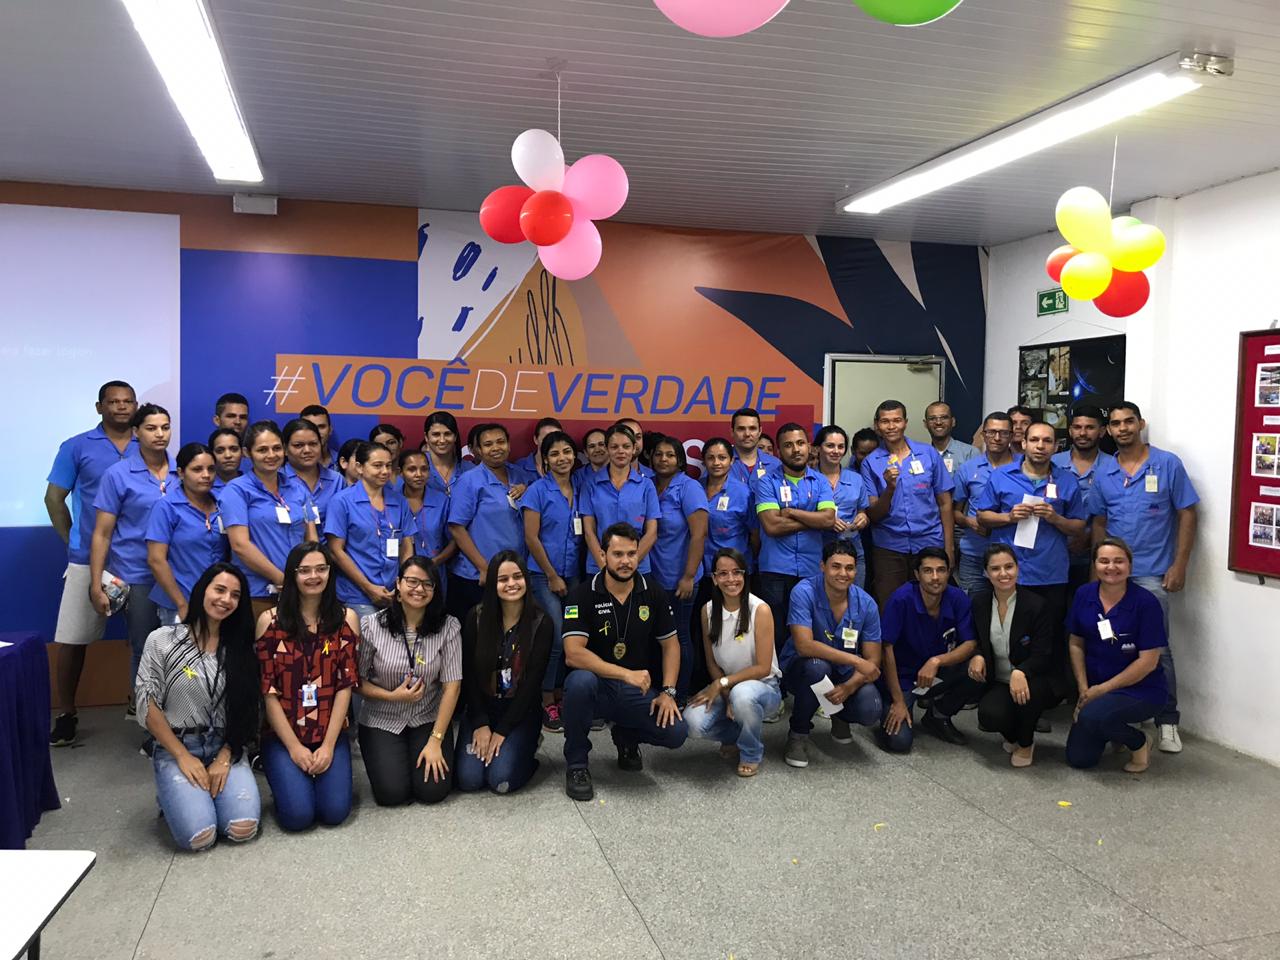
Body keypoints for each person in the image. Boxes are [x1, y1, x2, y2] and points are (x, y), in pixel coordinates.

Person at [1091, 401, 1198, 754]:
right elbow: (1099, 522)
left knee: (1157, 649)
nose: (1122, 428)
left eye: (1129, 421)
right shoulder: (1105, 471)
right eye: (1116, 423)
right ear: (1109, 430)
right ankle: (1125, 714)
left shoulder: (1167, 464)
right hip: (1111, 575)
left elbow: (1187, 513)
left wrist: (1180, 564)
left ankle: (1167, 721)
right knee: (1112, 645)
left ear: (1140, 424)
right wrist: (1095, 571)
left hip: (1152, 573)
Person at [135, 563, 261, 851]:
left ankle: (199, 795)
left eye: (235, 595)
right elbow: (147, 703)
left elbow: (247, 710)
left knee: (242, 828)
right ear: (202, 591)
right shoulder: (162, 640)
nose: (226, 599)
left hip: (225, 745)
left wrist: (226, 756)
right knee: (199, 837)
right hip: (178, 746)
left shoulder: (240, 648)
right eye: (219, 590)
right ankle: (173, 793)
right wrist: (182, 756)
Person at [561, 523, 688, 800]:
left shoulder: (653, 592)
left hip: (636, 690)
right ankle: (577, 764)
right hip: (598, 688)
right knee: (579, 682)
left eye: (632, 554)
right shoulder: (582, 594)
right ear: (603, 555)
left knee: (677, 732)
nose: (626, 561)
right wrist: (624, 673)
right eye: (618, 554)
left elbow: (671, 645)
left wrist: (668, 692)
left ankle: (626, 736)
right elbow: (573, 653)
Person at [47, 380, 138, 747]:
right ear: (99, 407)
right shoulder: (76, 446)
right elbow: (54, 498)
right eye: (113, 402)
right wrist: (74, 541)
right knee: (73, 639)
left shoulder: (149, 444)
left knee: (147, 639)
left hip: (138, 558)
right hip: (88, 559)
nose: (121, 407)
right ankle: (66, 714)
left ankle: (146, 711)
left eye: (128, 401)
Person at [255, 543, 360, 831]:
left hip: (329, 732)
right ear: (293, 575)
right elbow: (268, 692)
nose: (314, 576)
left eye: (321, 569)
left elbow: (345, 686)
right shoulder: (270, 622)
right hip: (284, 734)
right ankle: (286, 774)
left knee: (334, 812)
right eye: (305, 570)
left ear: (330, 573)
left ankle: (316, 775)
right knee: (297, 817)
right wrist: (294, 748)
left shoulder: (346, 619)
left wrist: (328, 746)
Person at [974, 421, 1086, 666]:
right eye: (1034, 440)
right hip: (1008, 574)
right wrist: (1008, 517)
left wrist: (1056, 518)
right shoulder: (1001, 476)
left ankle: (1044, 685)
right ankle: (1006, 680)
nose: (1040, 446)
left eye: (1047, 441)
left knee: (1049, 640)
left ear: (1056, 447)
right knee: (1006, 636)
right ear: (1023, 443)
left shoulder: (1067, 480)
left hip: (1049, 573)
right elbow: (982, 516)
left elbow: (1079, 526)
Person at [356, 555, 461, 806]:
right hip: (382, 717)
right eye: (412, 581)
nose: (419, 589)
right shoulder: (372, 625)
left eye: (427, 584)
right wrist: (391, 696)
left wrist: (436, 740)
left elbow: (452, 686)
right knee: (392, 794)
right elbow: (355, 680)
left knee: (433, 791)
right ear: (398, 585)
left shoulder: (448, 627)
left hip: (427, 716)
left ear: (435, 590)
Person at [90, 403, 176, 688]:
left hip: (179, 573)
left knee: (182, 649)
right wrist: (95, 585)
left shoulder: (183, 469)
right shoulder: (118, 474)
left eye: (165, 427)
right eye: (151, 428)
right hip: (137, 575)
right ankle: (145, 711)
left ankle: (180, 711)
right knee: (144, 648)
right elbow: (102, 534)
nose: (160, 434)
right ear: (137, 432)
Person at [1065, 538, 1168, 773]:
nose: (1111, 567)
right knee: (1079, 759)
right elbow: (1076, 643)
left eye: (1119, 561)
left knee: (1093, 717)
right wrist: (1084, 690)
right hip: (1094, 688)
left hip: (1141, 689)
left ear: (1130, 565)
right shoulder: (1084, 594)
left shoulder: (1146, 602)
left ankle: (1139, 742)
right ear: (1095, 565)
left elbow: (1148, 662)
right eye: (1104, 561)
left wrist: (1101, 691)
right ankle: (1111, 729)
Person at [780, 541, 883, 769]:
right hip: (803, 669)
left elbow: (873, 660)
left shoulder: (866, 604)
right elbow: (804, 646)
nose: (843, 573)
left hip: (845, 674)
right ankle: (798, 733)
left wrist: (849, 687)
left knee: (871, 708)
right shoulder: (804, 592)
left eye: (849, 568)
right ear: (822, 566)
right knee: (818, 668)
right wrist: (855, 660)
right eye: (836, 566)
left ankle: (839, 716)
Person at [456, 552, 552, 794]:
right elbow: (468, 674)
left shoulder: (541, 622)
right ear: (492, 584)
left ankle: (527, 748)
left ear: (527, 580)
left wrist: (503, 730)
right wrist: (480, 722)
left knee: (500, 780)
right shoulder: (476, 617)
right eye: (503, 579)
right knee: (468, 780)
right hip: (482, 709)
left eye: (517, 577)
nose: (511, 584)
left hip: (519, 712)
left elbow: (532, 685)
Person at [684, 548, 781, 777]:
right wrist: (726, 694)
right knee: (691, 722)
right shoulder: (707, 611)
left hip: (764, 687)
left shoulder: (760, 609)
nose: (731, 579)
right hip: (727, 687)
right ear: (714, 579)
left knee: (743, 696)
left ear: (745, 575)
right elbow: (712, 663)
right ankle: (735, 736)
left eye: (737, 572)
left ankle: (751, 752)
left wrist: (723, 684)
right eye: (723, 573)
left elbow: (763, 668)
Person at [752, 423, 836, 688]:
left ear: (809, 446)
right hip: (775, 569)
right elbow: (771, 526)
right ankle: (775, 688)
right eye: (788, 445)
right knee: (775, 632)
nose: (795, 449)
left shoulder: (820, 481)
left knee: (812, 631)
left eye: (800, 443)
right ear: (779, 450)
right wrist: (813, 519)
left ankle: (808, 688)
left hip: (811, 570)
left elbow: (829, 520)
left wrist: (792, 513)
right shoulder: (766, 482)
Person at [876, 548, 983, 753]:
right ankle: (886, 704)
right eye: (928, 571)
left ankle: (938, 716)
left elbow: (969, 643)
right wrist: (898, 701)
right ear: (917, 574)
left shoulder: (957, 597)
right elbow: (886, 649)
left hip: (936, 673)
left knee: (977, 670)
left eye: (941, 570)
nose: (935, 577)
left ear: (948, 572)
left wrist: (937, 661)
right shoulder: (901, 600)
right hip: (903, 679)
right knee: (900, 743)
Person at [968, 544, 1059, 767]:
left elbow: (1044, 653)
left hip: (1035, 677)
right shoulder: (979, 602)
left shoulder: (1037, 605)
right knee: (989, 715)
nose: (1003, 573)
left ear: (1018, 568)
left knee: (1028, 695)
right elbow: (975, 638)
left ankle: (1026, 743)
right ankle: (1014, 736)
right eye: (995, 568)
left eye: (1009, 567)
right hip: (999, 679)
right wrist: (977, 655)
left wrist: (1022, 671)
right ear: (986, 573)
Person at [860, 400, 956, 608]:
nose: (891, 426)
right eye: (885, 421)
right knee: (890, 606)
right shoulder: (870, 462)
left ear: (905, 422)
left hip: (929, 542)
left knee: (932, 605)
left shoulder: (928, 454)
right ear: (877, 425)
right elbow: (874, 514)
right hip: (889, 547)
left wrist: (949, 548)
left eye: (896, 420)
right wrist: (890, 488)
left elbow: (945, 503)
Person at [221, 421, 318, 619]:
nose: (271, 455)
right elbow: (240, 545)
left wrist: (307, 578)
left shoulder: (299, 488)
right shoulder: (236, 490)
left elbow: (312, 539)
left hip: (300, 591)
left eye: (276, 448)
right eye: (262, 450)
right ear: (247, 453)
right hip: (257, 593)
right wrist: (282, 579)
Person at [521, 431, 583, 732]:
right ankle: (546, 699)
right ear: (545, 459)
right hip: (543, 575)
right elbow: (531, 537)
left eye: (567, 452)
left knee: (573, 637)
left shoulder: (581, 486)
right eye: (555, 453)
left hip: (574, 574)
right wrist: (551, 575)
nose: (562, 458)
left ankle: (562, 693)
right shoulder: (537, 490)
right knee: (556, 637)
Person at [446, 422, 531, 620]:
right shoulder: (469, 480)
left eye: (501, 442)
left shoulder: (520, 475)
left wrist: (527, 489)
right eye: (488, 444)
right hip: (477, 577)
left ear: (509, 445)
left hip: (514, 574)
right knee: (479, 631)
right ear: (477, 450)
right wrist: (483, 567)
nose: (495, 448)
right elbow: (457, 528)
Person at [325, 442, 417, 619]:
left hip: (393, 593)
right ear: (360, 467)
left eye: (388, 465)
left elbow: (406, 545)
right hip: (357, 594)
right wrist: (368, 587)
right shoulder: (342, 501)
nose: (385, 471)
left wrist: (402, 583)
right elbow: (336, 551)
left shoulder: (399, 501)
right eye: (377, 465)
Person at [649, 435, 709, 699]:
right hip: (653, 577)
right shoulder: (648, 485)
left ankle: (680, 695)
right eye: (659, 454)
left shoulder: (689, 487)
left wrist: (688, 576)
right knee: (656, 638)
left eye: (670, 455)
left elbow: (699, 534)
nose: (664, 459)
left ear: (680, 460)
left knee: (679, 637)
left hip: (680, 580)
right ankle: (658, 693)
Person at [146, 443, 229, 626]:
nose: (206, 475)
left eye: (211, 469)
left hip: (218, 602)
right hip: (179, 601)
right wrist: (181, 604)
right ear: (181, 473)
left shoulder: (223, 504)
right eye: (197, 469)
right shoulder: (167, 507)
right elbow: (156, 560)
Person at [1051, 405, 1116, 604]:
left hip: (1097, 554)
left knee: (1090, 610)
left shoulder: (1113, 466)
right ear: (1070, 430)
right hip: (1054, 553)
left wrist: (1088, 538)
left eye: (1090, 427)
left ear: (1102, 431)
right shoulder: (1052, 463)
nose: (1082, 433)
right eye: (1077, 427)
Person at [580, 424, 660, 577]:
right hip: (599, 567)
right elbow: (589, 532)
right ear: (607, 449)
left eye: (626, 446)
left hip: (638, 568)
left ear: (634, 448)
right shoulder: (590, 484)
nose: (621, 451)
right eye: (614, 447)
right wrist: (606, 567)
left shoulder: (646, 485)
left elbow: (652, 532)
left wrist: (630, 563)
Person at [952, 412, 1017, 596]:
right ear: (983, 435)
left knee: (1011, 606)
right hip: (974, 553)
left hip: (1013, 555)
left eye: (1003, 433)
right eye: (991, 432)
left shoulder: (1023, 467)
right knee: (973, 606)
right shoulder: (968, 468)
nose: (997, 438)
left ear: (1011, 436)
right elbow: (955, 512)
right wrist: (969, 522)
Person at [814, 425, 870, 590]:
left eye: (840, 446)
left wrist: (863, 518)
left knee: (855, 597)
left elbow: (862, 511)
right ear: (818, 448)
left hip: (852, 549)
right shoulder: (809, 478)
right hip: (818, 551)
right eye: (830, 446)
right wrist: (826, 521)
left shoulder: (856, 479)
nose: (836, 451)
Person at [700, 437, 757, 578]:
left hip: (734, 571)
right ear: (704, 461)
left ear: (731, 461)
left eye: (722, 458)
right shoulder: (694, 488)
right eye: (711, 458)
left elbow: (755, 534)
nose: (716, 463)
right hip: (701, 570)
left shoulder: (743, 493)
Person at [399, 449, 456, 577]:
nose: (419, 474)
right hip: (399, 572)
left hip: (434, 572)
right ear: (400, 472)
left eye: (424, 469)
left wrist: (434, 563)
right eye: (412, 469)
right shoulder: (392, 502)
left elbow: (454, 541)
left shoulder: (442, 501)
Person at [282, 418, 343, 529]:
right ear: (285, 449)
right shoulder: (277, 479)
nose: (307, 450)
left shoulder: (337, 480)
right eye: (298, 445)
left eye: (313, 444)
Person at [422, 411, 474, 497]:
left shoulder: (470, 470)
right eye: (436, 434)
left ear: (455, 436)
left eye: (447, 434)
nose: (442, 440)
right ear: (426, 437)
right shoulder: (415, 468)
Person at [728, 407, 781, 489]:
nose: (747, 434)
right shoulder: (720, 463)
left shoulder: (776, 465)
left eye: (752, 428)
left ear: (760, 431)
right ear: (732, 432)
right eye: (741, 429)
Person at [924, 400, 978, 474]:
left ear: (953, 422)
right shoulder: (921, 455)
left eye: (944, 417)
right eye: (932, 418)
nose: (938, 422)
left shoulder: (970, 453)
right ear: (925, 424)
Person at [299, 403, 335, 469]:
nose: (317, 432)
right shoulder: (292, 464)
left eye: (321, 427)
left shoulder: (344, 461)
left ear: (330, 430)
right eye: (310, 427)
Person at [208, 427, 243, 492]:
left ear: (242, 452)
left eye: (234, 449)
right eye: (220, 451)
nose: (228, 455)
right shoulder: (205, 488)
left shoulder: (254, 485)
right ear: (211, 455)